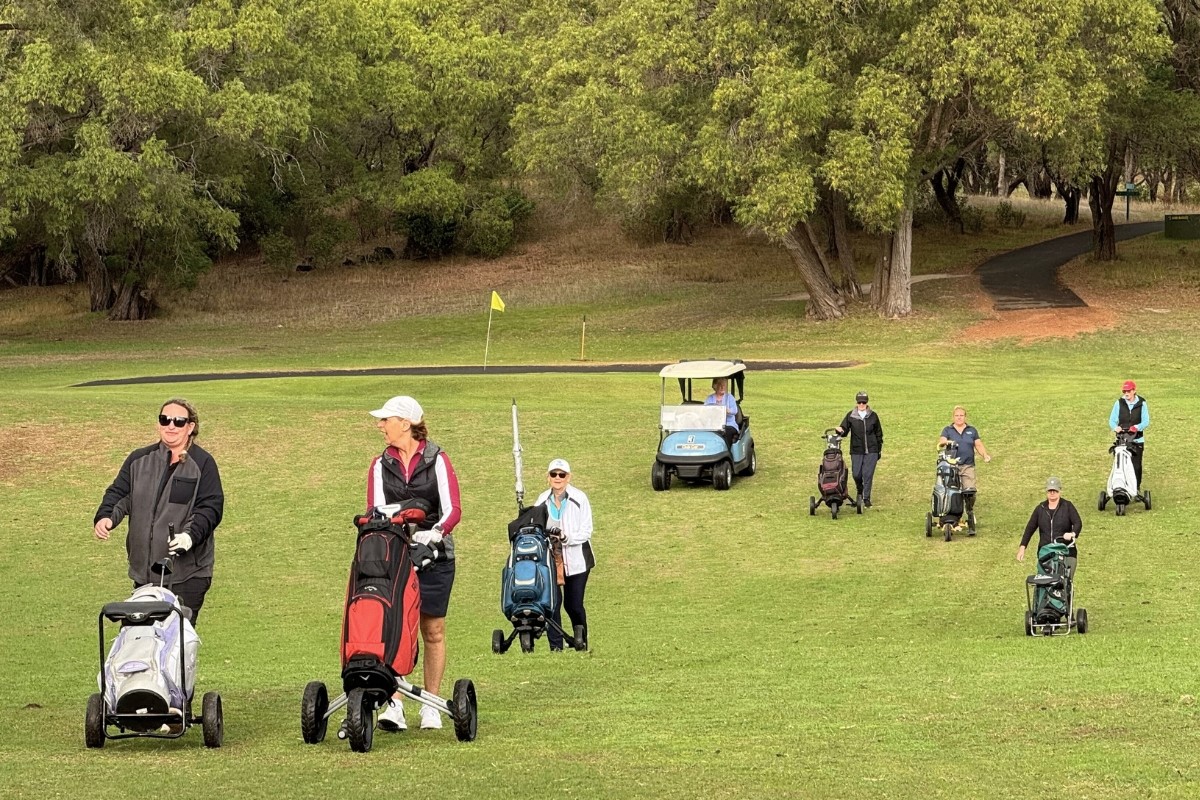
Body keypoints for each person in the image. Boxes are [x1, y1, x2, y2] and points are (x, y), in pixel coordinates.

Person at [366, 396, 461, 732]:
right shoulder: (380, 464)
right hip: (394, 555)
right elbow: (375, 512)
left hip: (436, 555)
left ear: (405, 423)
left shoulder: (436, 459)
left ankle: (431, 706)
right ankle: (396, 703)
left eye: (385, 420)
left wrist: (432, 534)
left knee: (432, 630)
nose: (380, 425)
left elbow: (452, 510)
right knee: (396, 627)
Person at [93, 399, 224, 625]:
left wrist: (189, 537)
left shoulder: (203, 463)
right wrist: (106, 517)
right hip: (145, 575)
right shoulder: (138, 460)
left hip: (187, 574)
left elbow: (210, 507)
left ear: (190, 427)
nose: (170, 426)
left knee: (175, 641)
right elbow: (120, 493)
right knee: (140, 638)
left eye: (179, 421)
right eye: (165, 419)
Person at [536, 458, 594, 652]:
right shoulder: (542, 500)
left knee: (573, 605)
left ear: (568, 477)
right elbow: (535, 526)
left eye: (562, 475)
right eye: (554, 474)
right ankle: (556, 646)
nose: (557, 478)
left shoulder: (580, 498)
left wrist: (566, 537)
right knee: (552, 605)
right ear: (548, 477)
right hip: (551, 560)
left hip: (578, 560)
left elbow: (587, 531)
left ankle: (581, 642)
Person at [1016, 476, 1083, 579]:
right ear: (1046, 492)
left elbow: (1078, 522)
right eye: (1050, 490)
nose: (1052, 493)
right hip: (1046, 552)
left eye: (1055, 490)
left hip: (1066, 551)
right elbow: (1030, 528)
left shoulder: (1067, 506)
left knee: (1064, 581)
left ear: (1059, 491)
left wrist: (1072, 534)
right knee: (1045, 581)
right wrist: (1022, 547)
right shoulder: (1040, 509)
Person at [938, 406, 992, 521]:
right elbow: (941, 441)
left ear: (965, 417)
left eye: (961, 415)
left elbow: (978, 445)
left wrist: (985, 455)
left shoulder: (972, 430)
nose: (959, 418)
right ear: (953, 417)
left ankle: (969, 510)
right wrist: (947, 442)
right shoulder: (947, 430)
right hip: (951, 466)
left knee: (970, 491)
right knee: (953, 491)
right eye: (957, 415)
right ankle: (953, 514)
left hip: (967, 465)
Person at [835, 391, 884, 507]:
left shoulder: (873, 416)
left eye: (864, 402)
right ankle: (859, 492)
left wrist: (878, 451)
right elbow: (844, 431)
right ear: (856, 403)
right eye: (859, 402)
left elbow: (879, 434)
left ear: (867, 403)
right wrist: (840, 430)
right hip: (857, 450)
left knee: (868, 474)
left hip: (872, 450)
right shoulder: (851, 416)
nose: (861, 404)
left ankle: (866, 498)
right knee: (857, 474)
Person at [1109, 379, 1149, 490]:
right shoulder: (1119, 403)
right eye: (1124, 391)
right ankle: (1121, 487)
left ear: (1134, 391)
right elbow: (1112, 420)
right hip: (1122, 439)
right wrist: (1115, 427)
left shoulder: (1142, 403)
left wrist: (1137, 427)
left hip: (1137, 440)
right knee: (1121, 465)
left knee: (1136, 466)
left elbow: (1146, 421)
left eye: (1128, 391)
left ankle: (1136, 488)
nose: (1126, 393)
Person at [705, 377, 739, 446]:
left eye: (724, 385)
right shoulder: (710, 398)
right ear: (715, 386)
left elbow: (735, 410)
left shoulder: (730, 397)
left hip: (729, 424)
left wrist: (728, 411)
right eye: (720, 385)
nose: (722, 387)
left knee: (726, 432)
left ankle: (726, 450)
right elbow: (705, 410)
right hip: (713, 424)